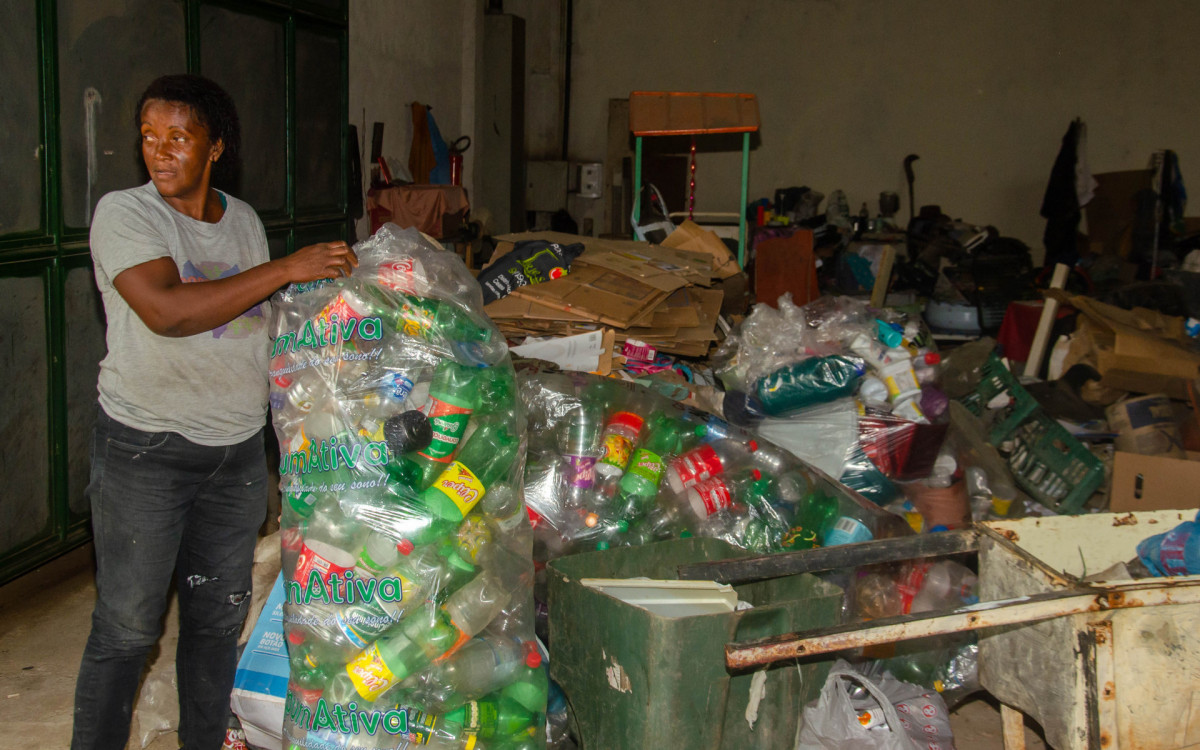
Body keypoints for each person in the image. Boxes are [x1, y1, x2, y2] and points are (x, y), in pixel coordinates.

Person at [71, 74, 356, 750]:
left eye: (179, 137)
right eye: (148, 136)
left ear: (216, 146)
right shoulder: (126, 213)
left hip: (234, 457)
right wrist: (287, 268)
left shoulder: (244, 221)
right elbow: (169, 312)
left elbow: (254, 325)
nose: (159, 151)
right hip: (146, 449)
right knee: (128, 628)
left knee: (213, 622)